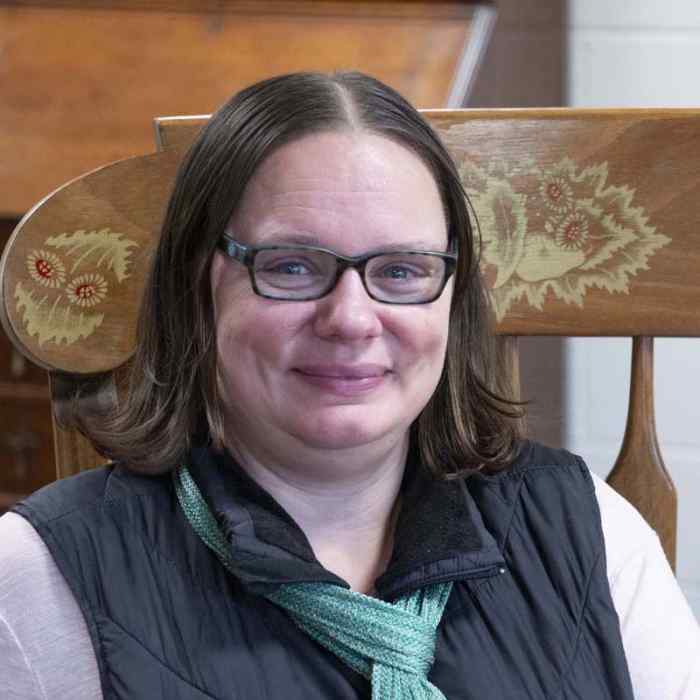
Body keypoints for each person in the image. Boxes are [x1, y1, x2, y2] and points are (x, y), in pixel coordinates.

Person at [0, 71, 698, 700]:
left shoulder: (590, 533)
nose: (351, 318)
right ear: (197, 285)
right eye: (292, 266)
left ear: (452, 299)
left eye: (401, 270)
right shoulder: (43, 578)